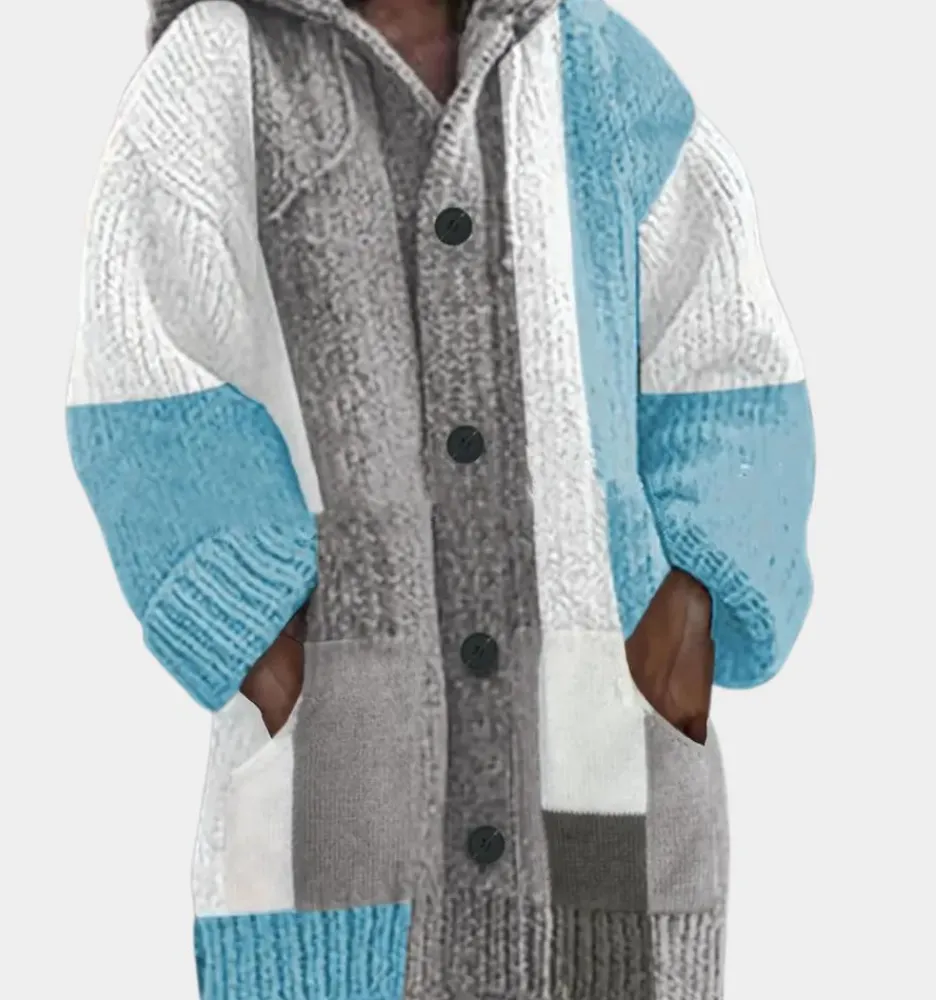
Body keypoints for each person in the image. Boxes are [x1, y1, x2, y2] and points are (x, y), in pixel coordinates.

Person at [65, 0, 815, 996]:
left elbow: (730, 360)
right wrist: (274, 653)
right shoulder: (224, 68)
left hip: (600, 767)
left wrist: (688, 614)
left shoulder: (594, 66)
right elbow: (144, 377)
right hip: (339, 792)